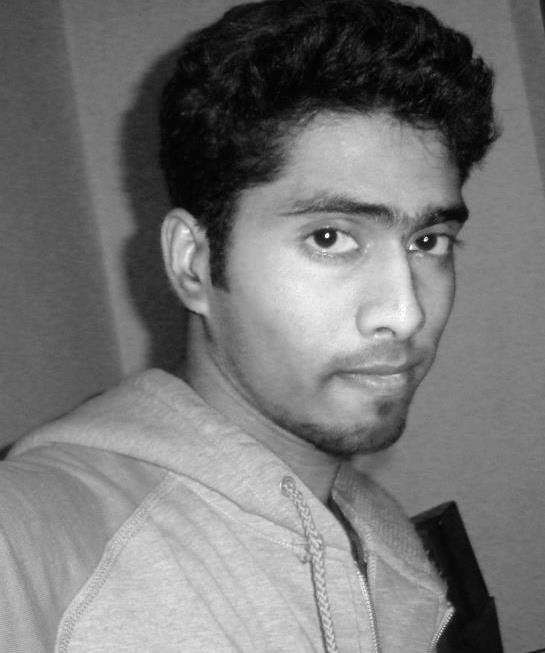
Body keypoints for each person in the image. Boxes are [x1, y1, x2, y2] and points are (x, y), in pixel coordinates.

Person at [0, 0, 497, 651]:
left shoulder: (383, 533)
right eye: (329, 237)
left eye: (428, 241)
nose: (406, 312)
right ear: (193, 262)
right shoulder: (30, 536)